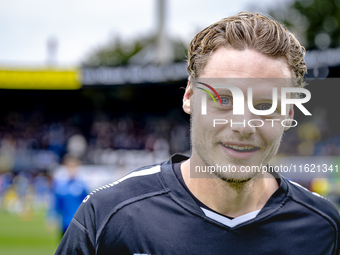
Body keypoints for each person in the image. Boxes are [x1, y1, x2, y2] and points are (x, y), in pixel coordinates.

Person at [55, 12, 340, 254]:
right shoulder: (108, 215)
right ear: (190, 96)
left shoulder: (324, 226)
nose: (243, 125)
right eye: (224, 99)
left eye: (265, 105)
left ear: (289, 114)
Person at [51, 154, 88, 237]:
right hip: (65, 223)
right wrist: (52, 217)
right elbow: (57, 204)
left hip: (79, 223)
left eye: (74, 167)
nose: (72, 169)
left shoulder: (81, 186)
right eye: (70, 167)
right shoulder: (60, 186)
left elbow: (87, 204)